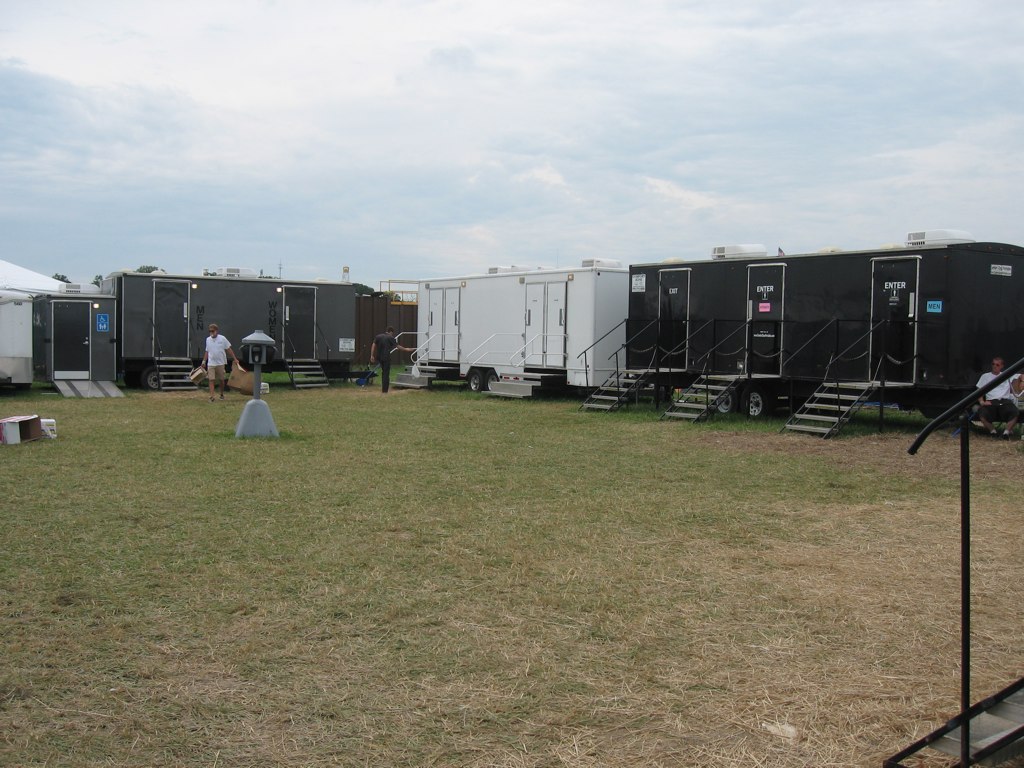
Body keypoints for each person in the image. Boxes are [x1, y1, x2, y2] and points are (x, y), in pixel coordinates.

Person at [975, 356, 1019, 439]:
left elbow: (1020, 377)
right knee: (982, 413)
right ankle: (993, 432)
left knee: (1015, 412)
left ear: (1002, 366)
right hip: (991, 401)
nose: (995, 366)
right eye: (993, 364)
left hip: (1004, 401)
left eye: (997, 365)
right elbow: (978, 391)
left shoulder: (1006, 375)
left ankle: (1006, 433)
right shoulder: (985, 376)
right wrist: (981, 402)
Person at [202, 323, 243, 401]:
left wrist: (235, 359)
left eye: (212, 331)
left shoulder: (222, 339)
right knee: (211, 379)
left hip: (220, 363)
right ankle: (212, 396)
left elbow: (229, 349)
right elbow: (207, 351)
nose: (211, 333)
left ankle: (221, 394)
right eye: (210, 331)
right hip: (211, 363)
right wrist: (204, 361)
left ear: (216, 331)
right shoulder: (208, 339)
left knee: (221, 380)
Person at [369, 326, 414, 393]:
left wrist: (372, 355)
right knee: (386, 374)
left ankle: (383, 389)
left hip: (379, 357)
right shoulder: (390, 338)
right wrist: (406, 349)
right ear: (391, 332)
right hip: (386, 357)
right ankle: (385, 390)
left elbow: (373, 345)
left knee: (383, 372)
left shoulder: (378, 336)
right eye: (392, 333)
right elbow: (398, 346)